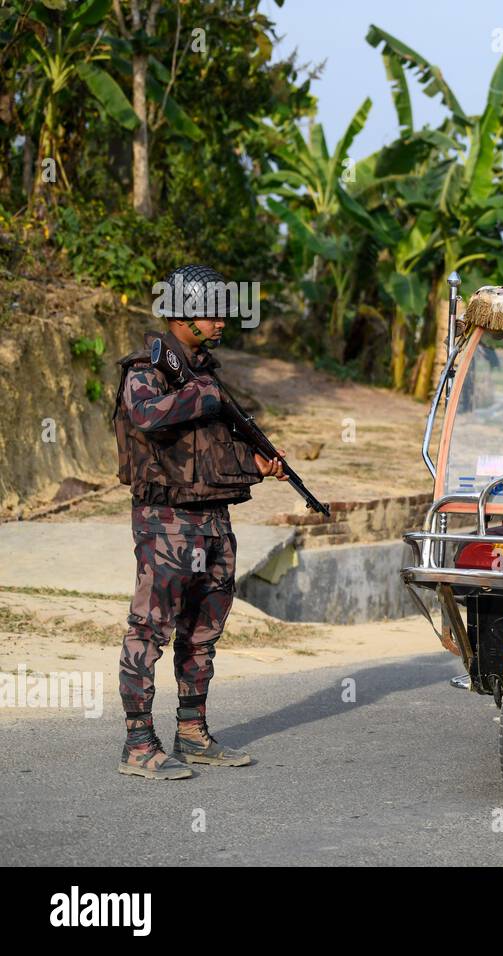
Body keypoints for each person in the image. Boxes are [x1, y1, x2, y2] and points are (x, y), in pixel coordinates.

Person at [113, 264, 289, 780]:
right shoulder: (147, 367)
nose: (222, 323)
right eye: (213, 314)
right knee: (150, 629)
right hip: (165, 521)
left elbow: (208, 452)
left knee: (203, 632)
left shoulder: (205, 373)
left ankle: (192, 734)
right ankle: (139, 745)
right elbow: (146, 415)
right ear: (185, 314)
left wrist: (254, 465)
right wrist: (201, 394)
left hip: (212, 519)